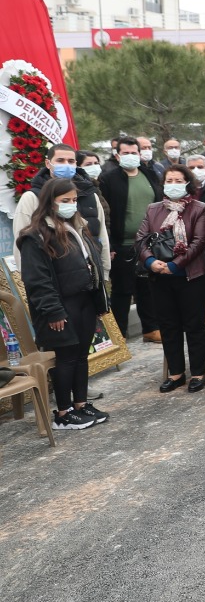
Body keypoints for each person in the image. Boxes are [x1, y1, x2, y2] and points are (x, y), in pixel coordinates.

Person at [19, 178, 111, 430]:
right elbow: (37, 280)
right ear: (50, 202)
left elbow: (91, 263)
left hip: (85, 300)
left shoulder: (77, 227)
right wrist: (53, 311)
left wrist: (99, 301)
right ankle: (63, 412)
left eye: (74, 200)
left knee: (81, 355)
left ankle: (80, 404)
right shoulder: (35, 236)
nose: (71, 205)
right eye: (64, 200)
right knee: (66, 357)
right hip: (60, 306)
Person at [137, 165, 205, 393]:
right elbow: (141, 239)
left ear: (188, 183)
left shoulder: (200, 209)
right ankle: (176, 373)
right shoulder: (153, 209)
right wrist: (151, 261)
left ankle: (198, 373)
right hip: (159, 278)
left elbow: (200, 242)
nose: (173, 184)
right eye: (169, 180)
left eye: (178, 180)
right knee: (168, 326)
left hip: (191, 277)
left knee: (194, 326)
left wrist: (175, 265)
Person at [98, 135, 162, 341]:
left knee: (147, 288)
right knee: (122, 291)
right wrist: (110, 244)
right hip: (122, 244)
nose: (130, 156)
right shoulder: (108, 179)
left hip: (149, 243)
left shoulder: (149, 174)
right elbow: (105, 214)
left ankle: (150, 329)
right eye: (126, 153)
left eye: (134, 152)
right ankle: (120, 335)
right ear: (117, 156)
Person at [13, 144, 110, 277]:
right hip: (52, 277)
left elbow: (102, 234)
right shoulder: (32, 198)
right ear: (48, 163)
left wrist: (104, 271)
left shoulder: (90, 195)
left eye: (71, 161)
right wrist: (29, 278)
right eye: (60, 160)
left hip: (91, 276)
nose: (66, 165)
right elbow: (21, 241)